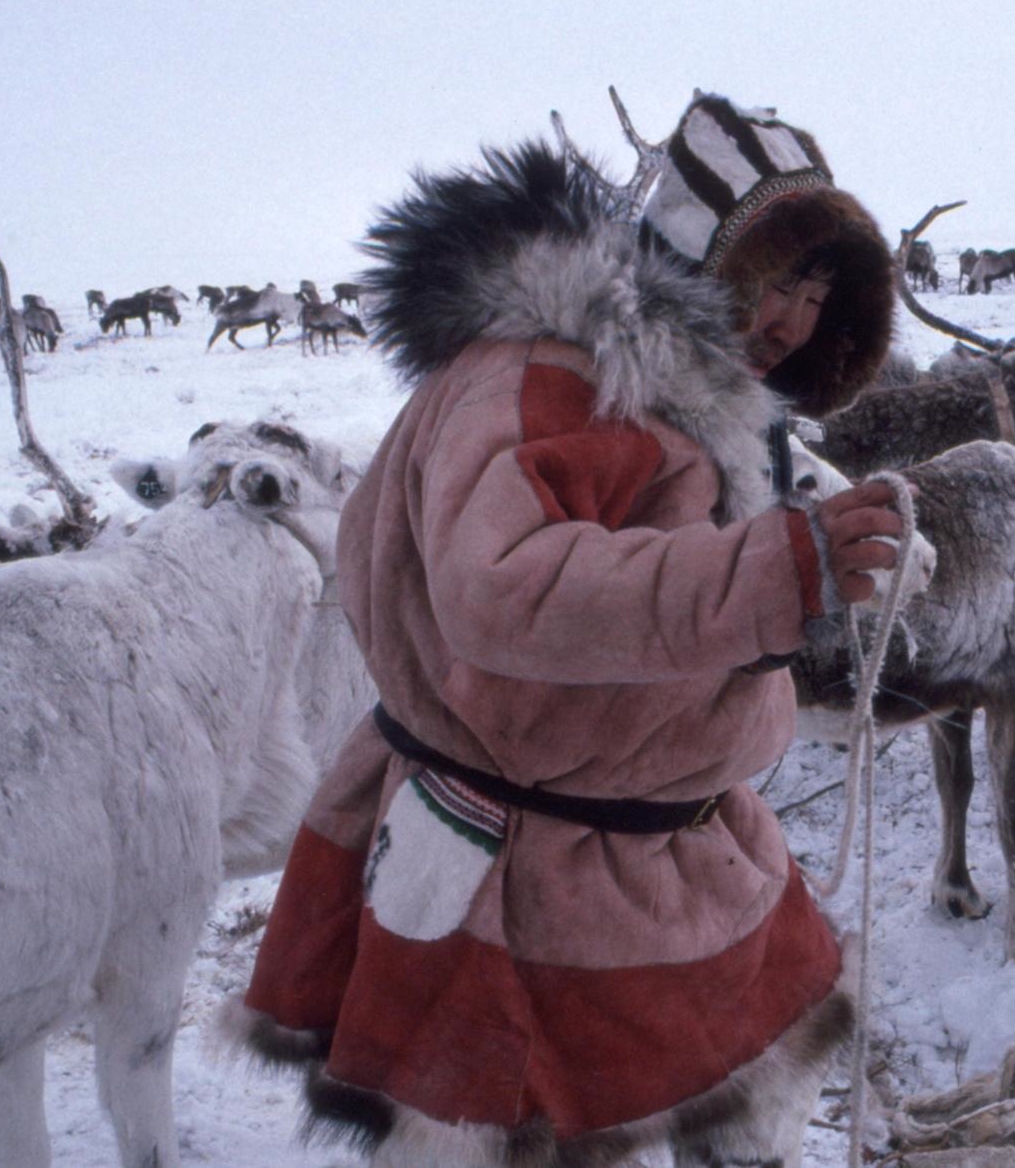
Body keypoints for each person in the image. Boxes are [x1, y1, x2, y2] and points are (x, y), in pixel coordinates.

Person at [231, 93, 903, 1167]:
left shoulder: (685, 402)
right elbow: (504, 586)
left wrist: (787, 589)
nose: (792, 319)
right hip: (511, 867)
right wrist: (768, 572)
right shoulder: (545, 377)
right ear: (698, 252)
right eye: (777, 278)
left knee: (736, 1115)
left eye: (819, 293)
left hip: (661, 849)